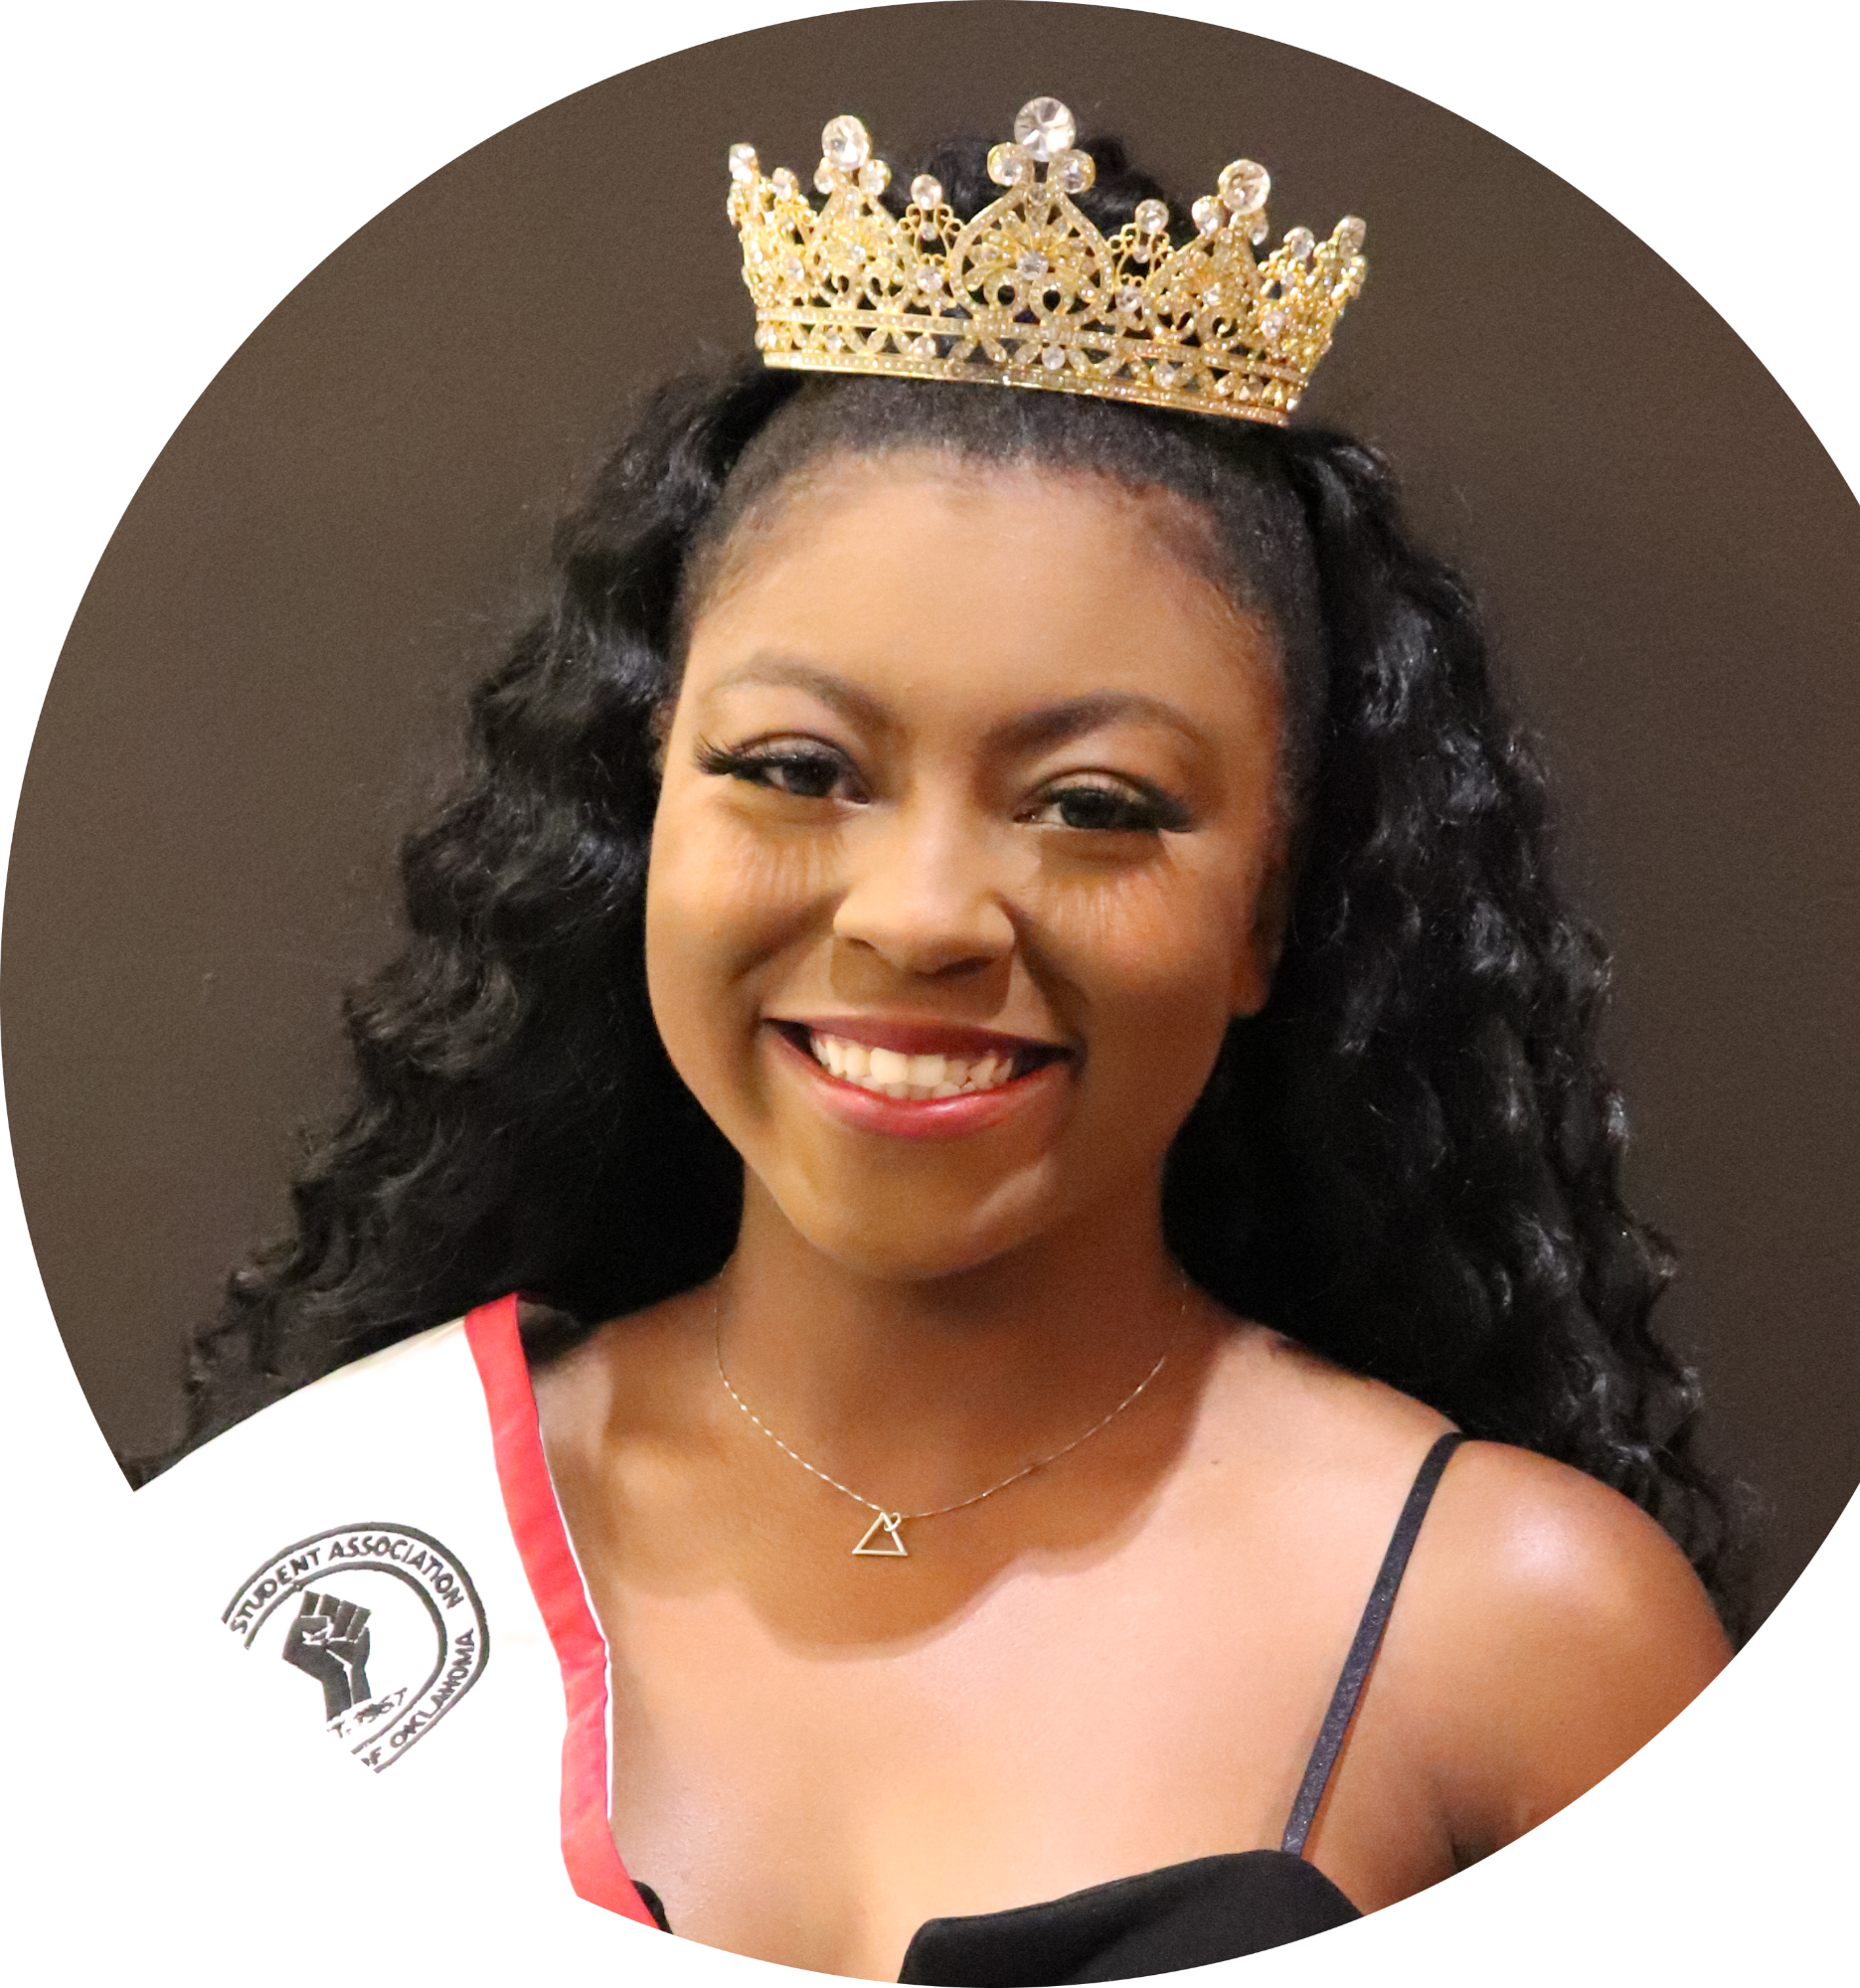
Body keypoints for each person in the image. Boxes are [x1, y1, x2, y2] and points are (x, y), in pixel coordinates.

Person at [134, 101, 1740, 1977]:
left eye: (1094, 807)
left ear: (1273, 910)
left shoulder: (1522, 1637)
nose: (917, 916)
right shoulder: (326, 1534)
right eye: (796, 769)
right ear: (646, 811)